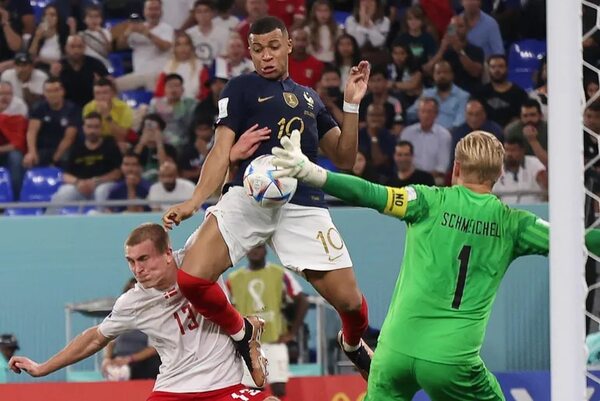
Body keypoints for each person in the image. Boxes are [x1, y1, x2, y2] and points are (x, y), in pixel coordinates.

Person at [270, 129, 600, 401]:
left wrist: (314, 173)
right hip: (451, 361)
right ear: (499, 175)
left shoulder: (427, 201)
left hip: (394, 351)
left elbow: (371, 193)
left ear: (456, 168)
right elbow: (580, 242)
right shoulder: (514, 224)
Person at [161, 16, 373, 386]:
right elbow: (220, 150)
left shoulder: (310, 98)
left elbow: (344, 158)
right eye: (258, 50)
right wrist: (195, 200)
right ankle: (244, 334)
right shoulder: (239, 88)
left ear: (289, 46)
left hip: (302, 203)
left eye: (274, 47)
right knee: (192, 280)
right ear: (250, 52)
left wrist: (351, 105)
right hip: (249, 196)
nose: (266, 57)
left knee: (353, 305)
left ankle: (353, 345)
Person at [8, 223, 279, 401]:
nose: (137, 269)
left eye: (144, 259)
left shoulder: (200, 261)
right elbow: (94, 337)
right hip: (173, 390)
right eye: (131, 261)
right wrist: (42, 368)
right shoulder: (132, 302)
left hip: (225, 388)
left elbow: (224, 214)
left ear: (168, 254)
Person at [227, 245, 309, 399]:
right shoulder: (234, 279)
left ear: (265, 250)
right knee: (251, 391)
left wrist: (292, 332)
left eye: (259, 248)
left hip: (274, 341)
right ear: (245, 252)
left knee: (279, 388)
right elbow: (224, 308)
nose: (255, 251)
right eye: (251, 248)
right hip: (248, 344)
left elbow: (302, 300)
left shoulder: (279, 274)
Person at [47, 112, 122, 214]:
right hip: (81, 186)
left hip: (103, 184)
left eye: (96, 127)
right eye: (89, 127)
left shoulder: (110, 145)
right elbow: (65, 175)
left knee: (101, 191)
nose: (92, 131)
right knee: (63, 192)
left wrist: (96, 181)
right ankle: (50, 223)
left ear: (101, 128)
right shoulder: (76, 147)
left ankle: (102, 222)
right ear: (83, 128)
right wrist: (78, 183)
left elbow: (117, 173)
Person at [102, 278, 161, 381]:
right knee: (113, 367)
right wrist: (107, 359)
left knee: (154, 362)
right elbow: (109, 341)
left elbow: (153, 349)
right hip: (119, 359)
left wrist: (129, 359)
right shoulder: (120, 316)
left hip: (140, 361)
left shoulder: (153, 317)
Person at [23, 77, 79, 168]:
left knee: (66, 157)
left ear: (62, 91)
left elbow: (69, 138)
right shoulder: (39, 108)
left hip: (65, 149)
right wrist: (32, 152)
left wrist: (55, 159)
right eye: (49, 91)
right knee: (28, 160)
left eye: (56, 90)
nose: (53, 94)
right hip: (44, 149)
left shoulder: (72, 109)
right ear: (44, 93)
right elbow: (32, 131)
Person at [492, 136, 547, 204]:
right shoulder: (497, 169)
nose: (509, 154)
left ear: (522, 150)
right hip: (508, 212)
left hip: (534, 210)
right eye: (506, 150)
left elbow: (546, 187)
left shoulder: (534, 163)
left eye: (513, 150)